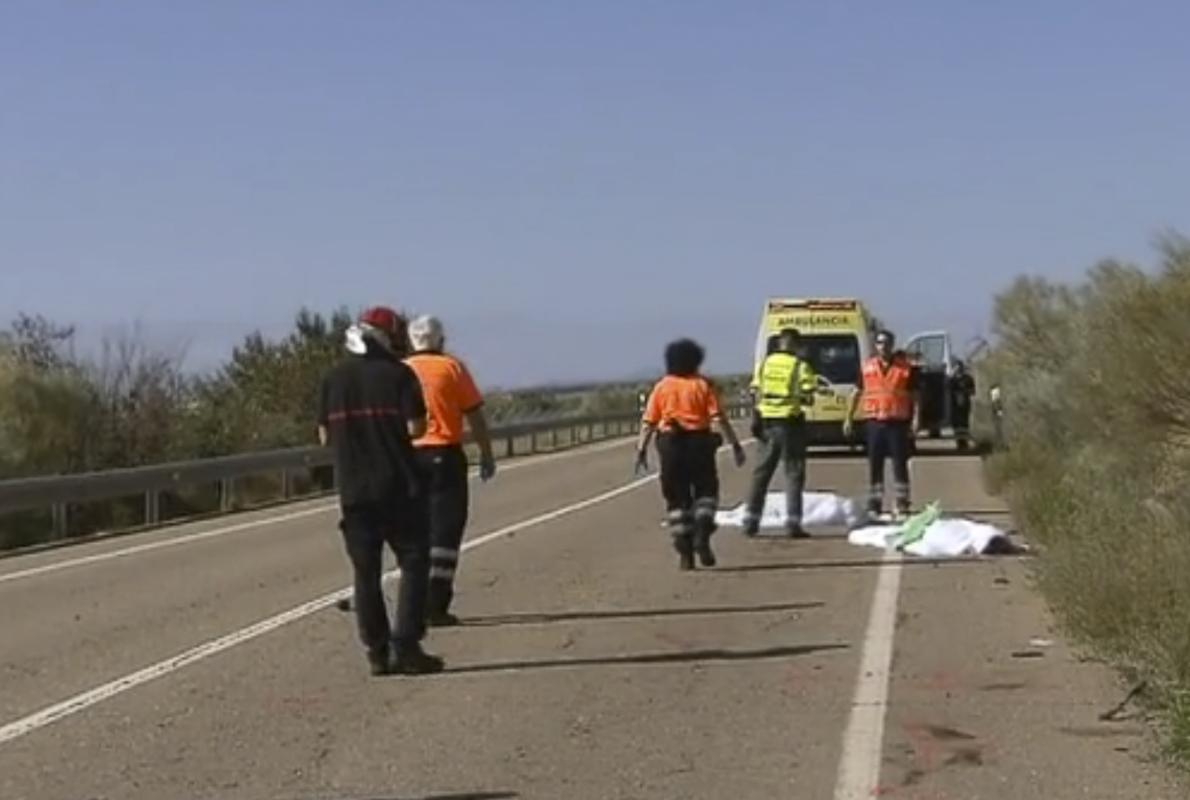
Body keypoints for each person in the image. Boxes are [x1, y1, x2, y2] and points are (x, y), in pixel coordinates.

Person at [317, 306, 444, 676]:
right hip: (399, 485)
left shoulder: (333, 380)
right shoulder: (399, 375)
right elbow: (417, 428)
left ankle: (376, 651)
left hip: (354, 491)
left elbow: (324, 436)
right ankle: (406, 645)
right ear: (388, 337)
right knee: (415, 562)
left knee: (365, 573)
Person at [404, 314, 496, 627]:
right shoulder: (452, 368)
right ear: (440, 340)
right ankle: (436, 604)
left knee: (415, 532)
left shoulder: (401, 370)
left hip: (408, 458)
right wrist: (486, 453)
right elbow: (475, 414)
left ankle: (411, 602)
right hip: (444, 455)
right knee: (445, 532)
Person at [635, 338, 746, 570]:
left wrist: (641, 450)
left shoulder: (662, 387)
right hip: (700, 443)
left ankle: (685, 553)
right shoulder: (702, 385)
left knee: (677, 500)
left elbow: (649, 422)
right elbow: (719, 419)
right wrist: (735, 445)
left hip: (670, 444)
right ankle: (702, 533)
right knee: (706, 492)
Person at [742, 328, 818, 538]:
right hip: (790, 424)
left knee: (761, 473)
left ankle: (751, 520)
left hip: (766, 424)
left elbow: (755, 392)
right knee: (793, 473)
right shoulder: (800, 366)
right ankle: (793, 523)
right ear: (795, 345)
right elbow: (809, 394)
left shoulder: (764, 365)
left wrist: (756, 417)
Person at [843, 329, 921, 520]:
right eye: (879, 342)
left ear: (892, 345)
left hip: (897, 423)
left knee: (899, 464)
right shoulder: (867, 368)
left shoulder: (905, 369)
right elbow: (856, 393)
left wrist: (917, 419)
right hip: (874, 423)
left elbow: (916, 397)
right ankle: (875, 504)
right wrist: (849, 417)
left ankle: (902, 504)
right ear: (875, 345)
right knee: (874, 465)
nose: (882, 346)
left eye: (886, 343)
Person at [948, 359, 976, 450]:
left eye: (960, 367)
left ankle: (964, 443)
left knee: (964, 424)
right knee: (956, 425)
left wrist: (965, 392)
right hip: (954, 405)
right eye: (956, 367)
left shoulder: (968, 378)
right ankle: (959, 442)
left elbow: (973, 391)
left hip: (964, 405)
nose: (958, 369)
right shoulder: (952, 379)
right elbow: (946, 390)